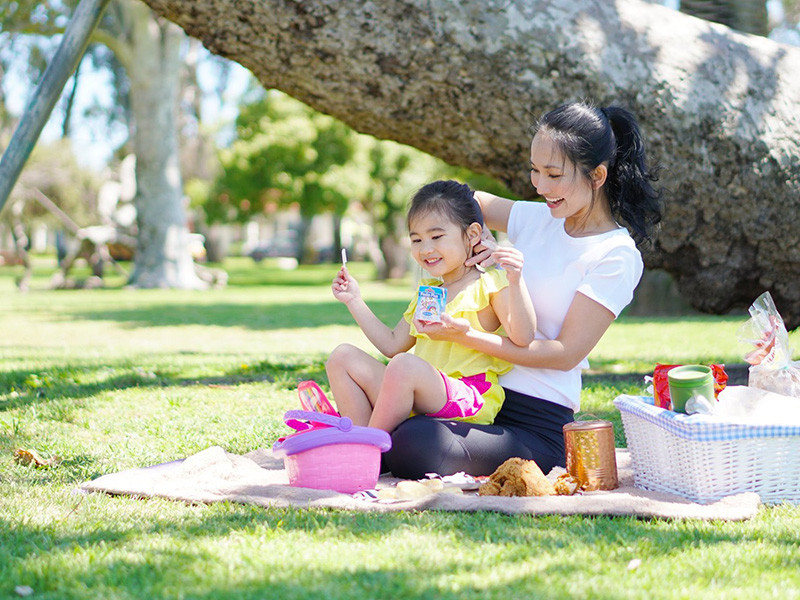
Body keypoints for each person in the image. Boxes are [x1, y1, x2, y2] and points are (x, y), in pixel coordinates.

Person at [383, 102, 664, 478]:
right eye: (534, 170)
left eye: (553, 174)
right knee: (387, 401)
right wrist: (469, 239)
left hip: (534, 421)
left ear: (597, 175)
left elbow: (564, 354)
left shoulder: (614, 254)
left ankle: (369, 441)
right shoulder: (538, 217)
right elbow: (471, 200)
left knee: (415, 441)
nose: (539, 186)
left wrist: (468, 336)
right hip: (476, 398)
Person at [326, 180, 537, 433]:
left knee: (404, 365)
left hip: (468, 397)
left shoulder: (490, 283)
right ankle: (361, 439)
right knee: (342, 357)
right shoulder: (430, 291)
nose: (426, 249)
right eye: (416, 240)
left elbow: (523, 337)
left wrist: (516, 281)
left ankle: (369, 445)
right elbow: (392, 345)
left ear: (471, 234)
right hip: (420, 390)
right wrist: (354, 299)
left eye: (437, 236)